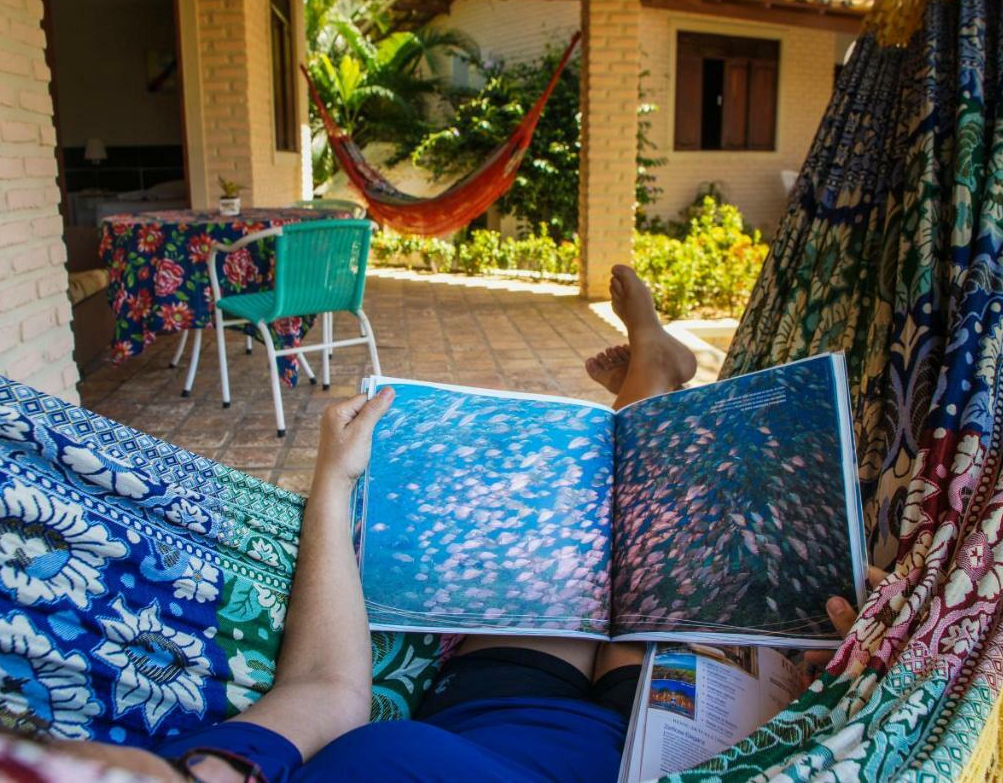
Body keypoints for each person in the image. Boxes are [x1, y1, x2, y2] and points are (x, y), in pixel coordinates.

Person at [59, 266, 881, 782]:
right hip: (669, 739)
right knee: (666, 551)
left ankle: (647, 379)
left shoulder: (217, 763)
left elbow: (325, 690)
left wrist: (334, 485)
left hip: (500, 706)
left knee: (589, 533)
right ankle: (653, 371)